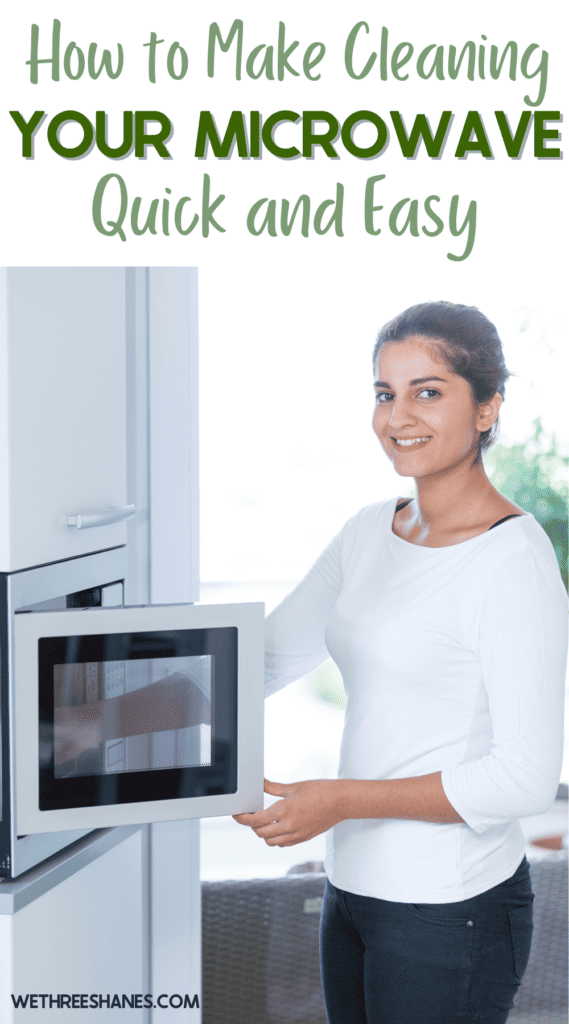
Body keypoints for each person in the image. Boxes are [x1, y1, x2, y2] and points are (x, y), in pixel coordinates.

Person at [233, 301, 568, 1024]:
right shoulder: (367, 531)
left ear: (486, 409)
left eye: (427, 391)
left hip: (451, 909)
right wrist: (98, 716)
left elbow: (522, 776)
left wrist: (341, 798)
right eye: (384, 393)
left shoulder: (512, 562)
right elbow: (260, 659)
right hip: (352, 889)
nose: (397, 415)